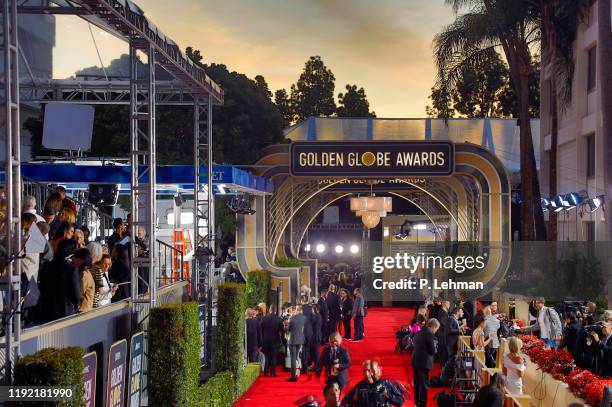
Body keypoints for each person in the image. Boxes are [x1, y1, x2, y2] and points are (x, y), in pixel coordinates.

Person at [38, 239, 81, 322]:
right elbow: (76, 294)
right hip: (65, 311)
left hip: (47, 309)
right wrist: (76, 305)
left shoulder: (46, 266)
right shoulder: (72, 269)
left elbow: (42, 288)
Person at [412, 318, 440, 407]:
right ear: (433, 326)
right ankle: (422, 404)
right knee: (424, 385)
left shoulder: (419, 332)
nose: (436, 331)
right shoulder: (430, 334)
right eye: (436, 329)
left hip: (415, 361)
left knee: (417, 383)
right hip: (423, 363)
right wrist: (436, 347)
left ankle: (416, 403)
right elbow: (433, 350)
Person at [286, 305, 308, 382]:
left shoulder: (293, 318)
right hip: (300, 340)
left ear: (296, 310)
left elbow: (288, 329)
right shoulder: (304, 318)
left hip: (292, 341)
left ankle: (293, 377)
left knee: (293, 359)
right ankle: (297, 373)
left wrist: (285, 325)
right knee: (297, 358)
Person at [261, 305, 284, 376]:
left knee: (266, 357)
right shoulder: (279, 319)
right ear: (275, 310)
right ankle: (273, 373)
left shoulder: (264, 318)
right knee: (274, 357)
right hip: (275, 341)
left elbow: (261, 330)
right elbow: (282, 331)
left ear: (270, 310)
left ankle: (265, 372)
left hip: (265, 341)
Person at [73, 248, 95, 313]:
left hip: (82, 310)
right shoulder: (84, 272)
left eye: (76, 257)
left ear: (82, 260)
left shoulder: (84, 274)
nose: (73, 259)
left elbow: (79, 293)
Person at [437, 300, 450, 366]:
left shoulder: (443, 311)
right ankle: (442, 365)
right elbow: (443, 323)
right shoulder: (443, 312)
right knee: (442, 351)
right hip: (442, 334)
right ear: (444, 304)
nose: (449, 305)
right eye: (448, 304)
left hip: (442, 334)